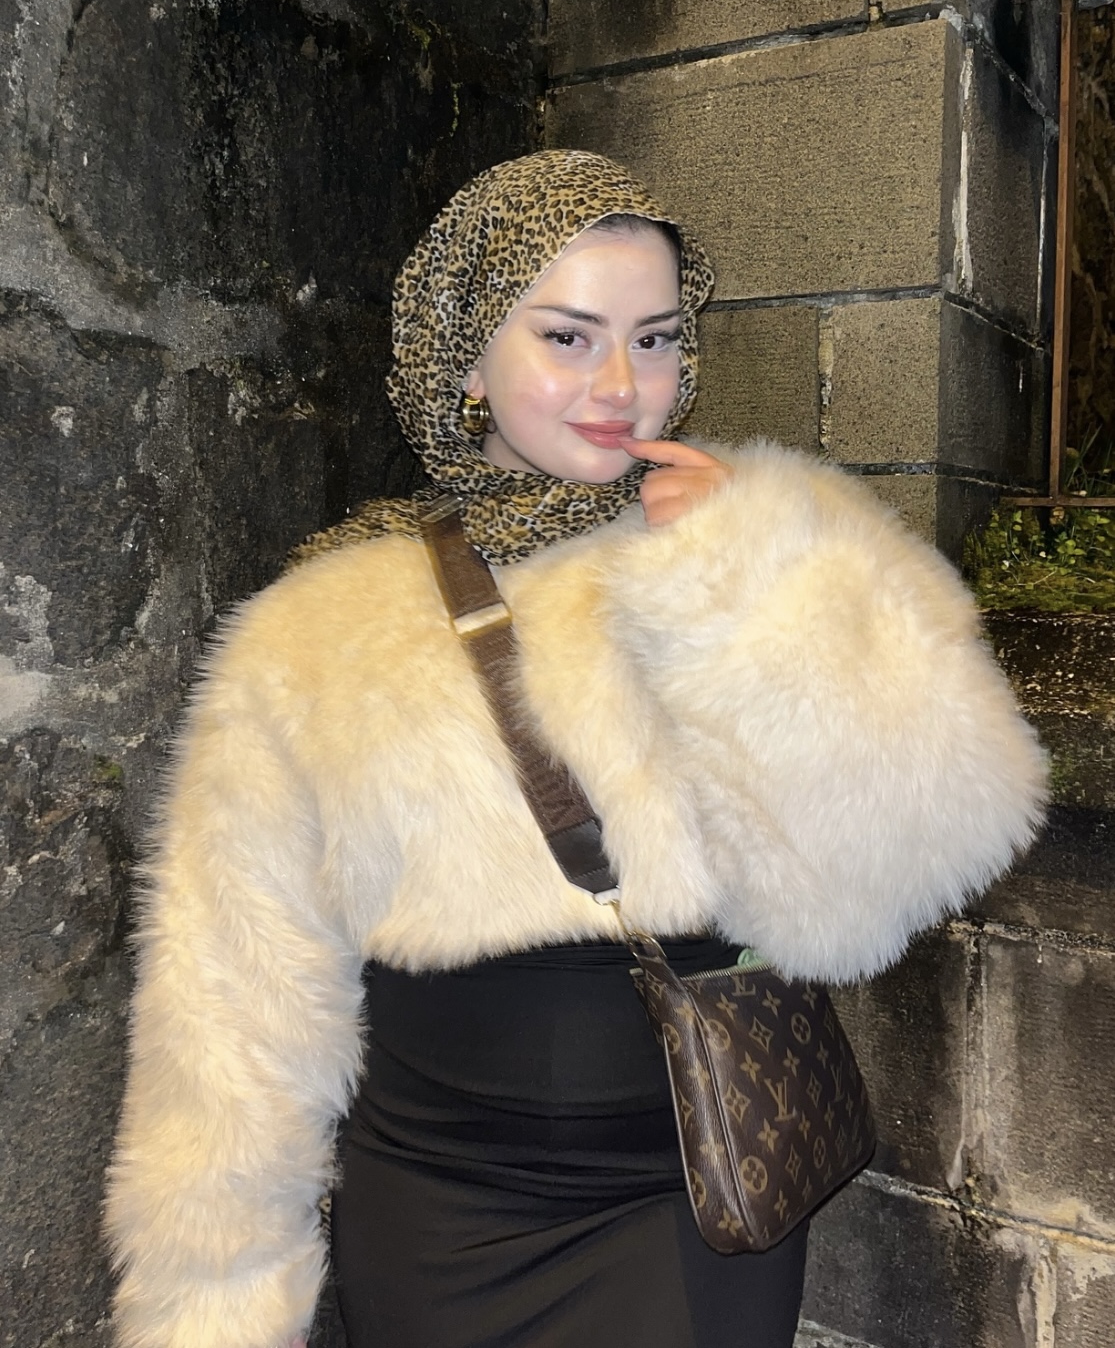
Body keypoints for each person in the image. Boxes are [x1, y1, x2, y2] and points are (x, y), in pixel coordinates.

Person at [105, 150, 1047, 1348]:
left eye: (653, 339)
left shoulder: (768, 536)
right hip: (433, 1210)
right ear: (466, 355)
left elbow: (919, 855)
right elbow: (230, 996)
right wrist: (215, 1294)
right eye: (565, 336)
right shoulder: (318, 623)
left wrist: (743, 583)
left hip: (688, 1197)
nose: (618, 385)